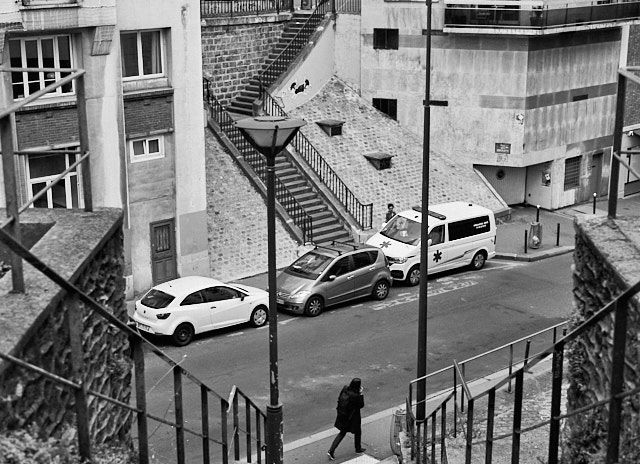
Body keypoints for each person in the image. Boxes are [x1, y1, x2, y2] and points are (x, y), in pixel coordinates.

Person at [327, 378, 366, 460]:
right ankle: (358, 448)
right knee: (358, 431)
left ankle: (331, 450)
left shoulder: (345, 389)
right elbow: (361, 405)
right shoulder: (355, 396)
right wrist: (361, 393)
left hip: (343, 415)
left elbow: (339, 399)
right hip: (352, 418)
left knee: (342, 432)